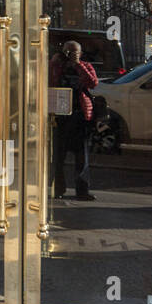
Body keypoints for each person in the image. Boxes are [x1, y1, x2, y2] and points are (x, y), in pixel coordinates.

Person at [50, 40, 98, 201]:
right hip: (60, 115)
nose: (71, 55)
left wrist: (78, 64)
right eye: (68, 52)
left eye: (75, 52)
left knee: (81, 156)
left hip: (79, 115)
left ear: (80, 53)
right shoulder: (57, 66)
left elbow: (92, 83)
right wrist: (56, 63)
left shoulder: (85, 65)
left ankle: (82, 190)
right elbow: (50, 82)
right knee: (58, 156)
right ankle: (57, 189)